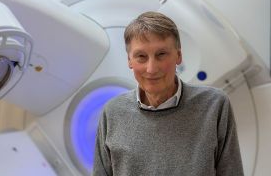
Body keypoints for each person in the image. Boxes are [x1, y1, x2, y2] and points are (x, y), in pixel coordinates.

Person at [92, 11, 243, 176]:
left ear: (178, 55)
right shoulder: (112, 112)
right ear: (129, 60)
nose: (151, 69)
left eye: (161, 54)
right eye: (141, 56)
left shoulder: (214, 105)